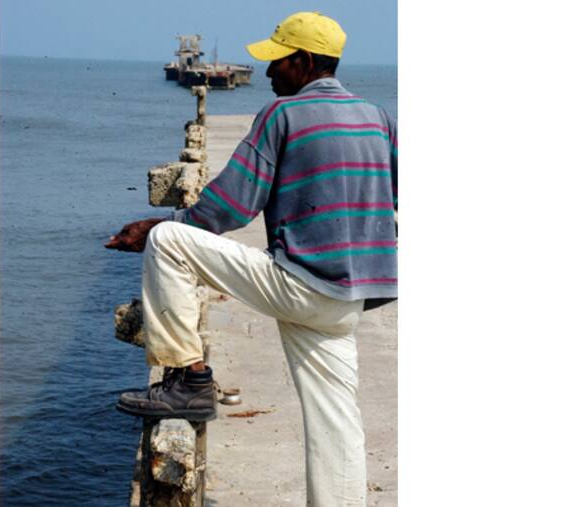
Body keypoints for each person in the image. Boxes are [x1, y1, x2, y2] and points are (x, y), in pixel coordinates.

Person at [105, 11, 397, 507]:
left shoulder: (283, 115)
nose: (267, 72)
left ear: (304, 61)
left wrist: (158, 225)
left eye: (277, 61)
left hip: (302, 283)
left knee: (171, 242)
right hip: (350, 299)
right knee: (337, 425)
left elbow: (231, 206)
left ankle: (190, 380)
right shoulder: (378, 117)